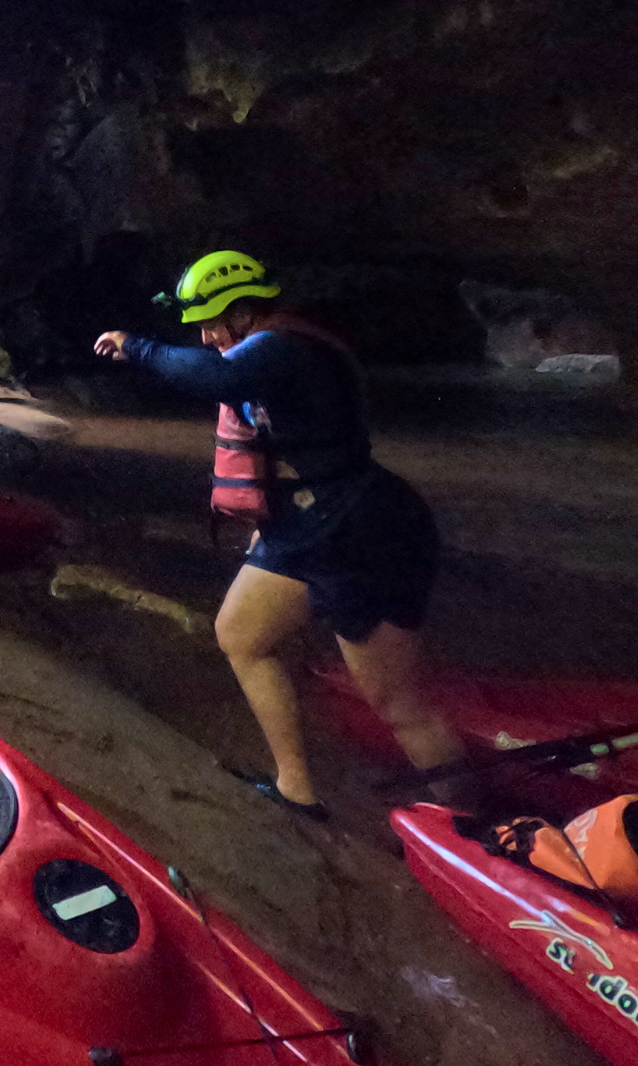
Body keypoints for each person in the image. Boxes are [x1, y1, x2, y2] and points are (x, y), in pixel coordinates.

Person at [94, 251, 465, 820]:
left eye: (215, 321)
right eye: (198, 325)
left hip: (364, 529)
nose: (207, 335)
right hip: (306, 523)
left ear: (247, 311)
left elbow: (219, 378)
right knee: (240, 635)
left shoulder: (288, 347)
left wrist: (137, 347)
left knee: (397, 703)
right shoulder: (257, 350)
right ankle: (297, 787)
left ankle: (480, 824)